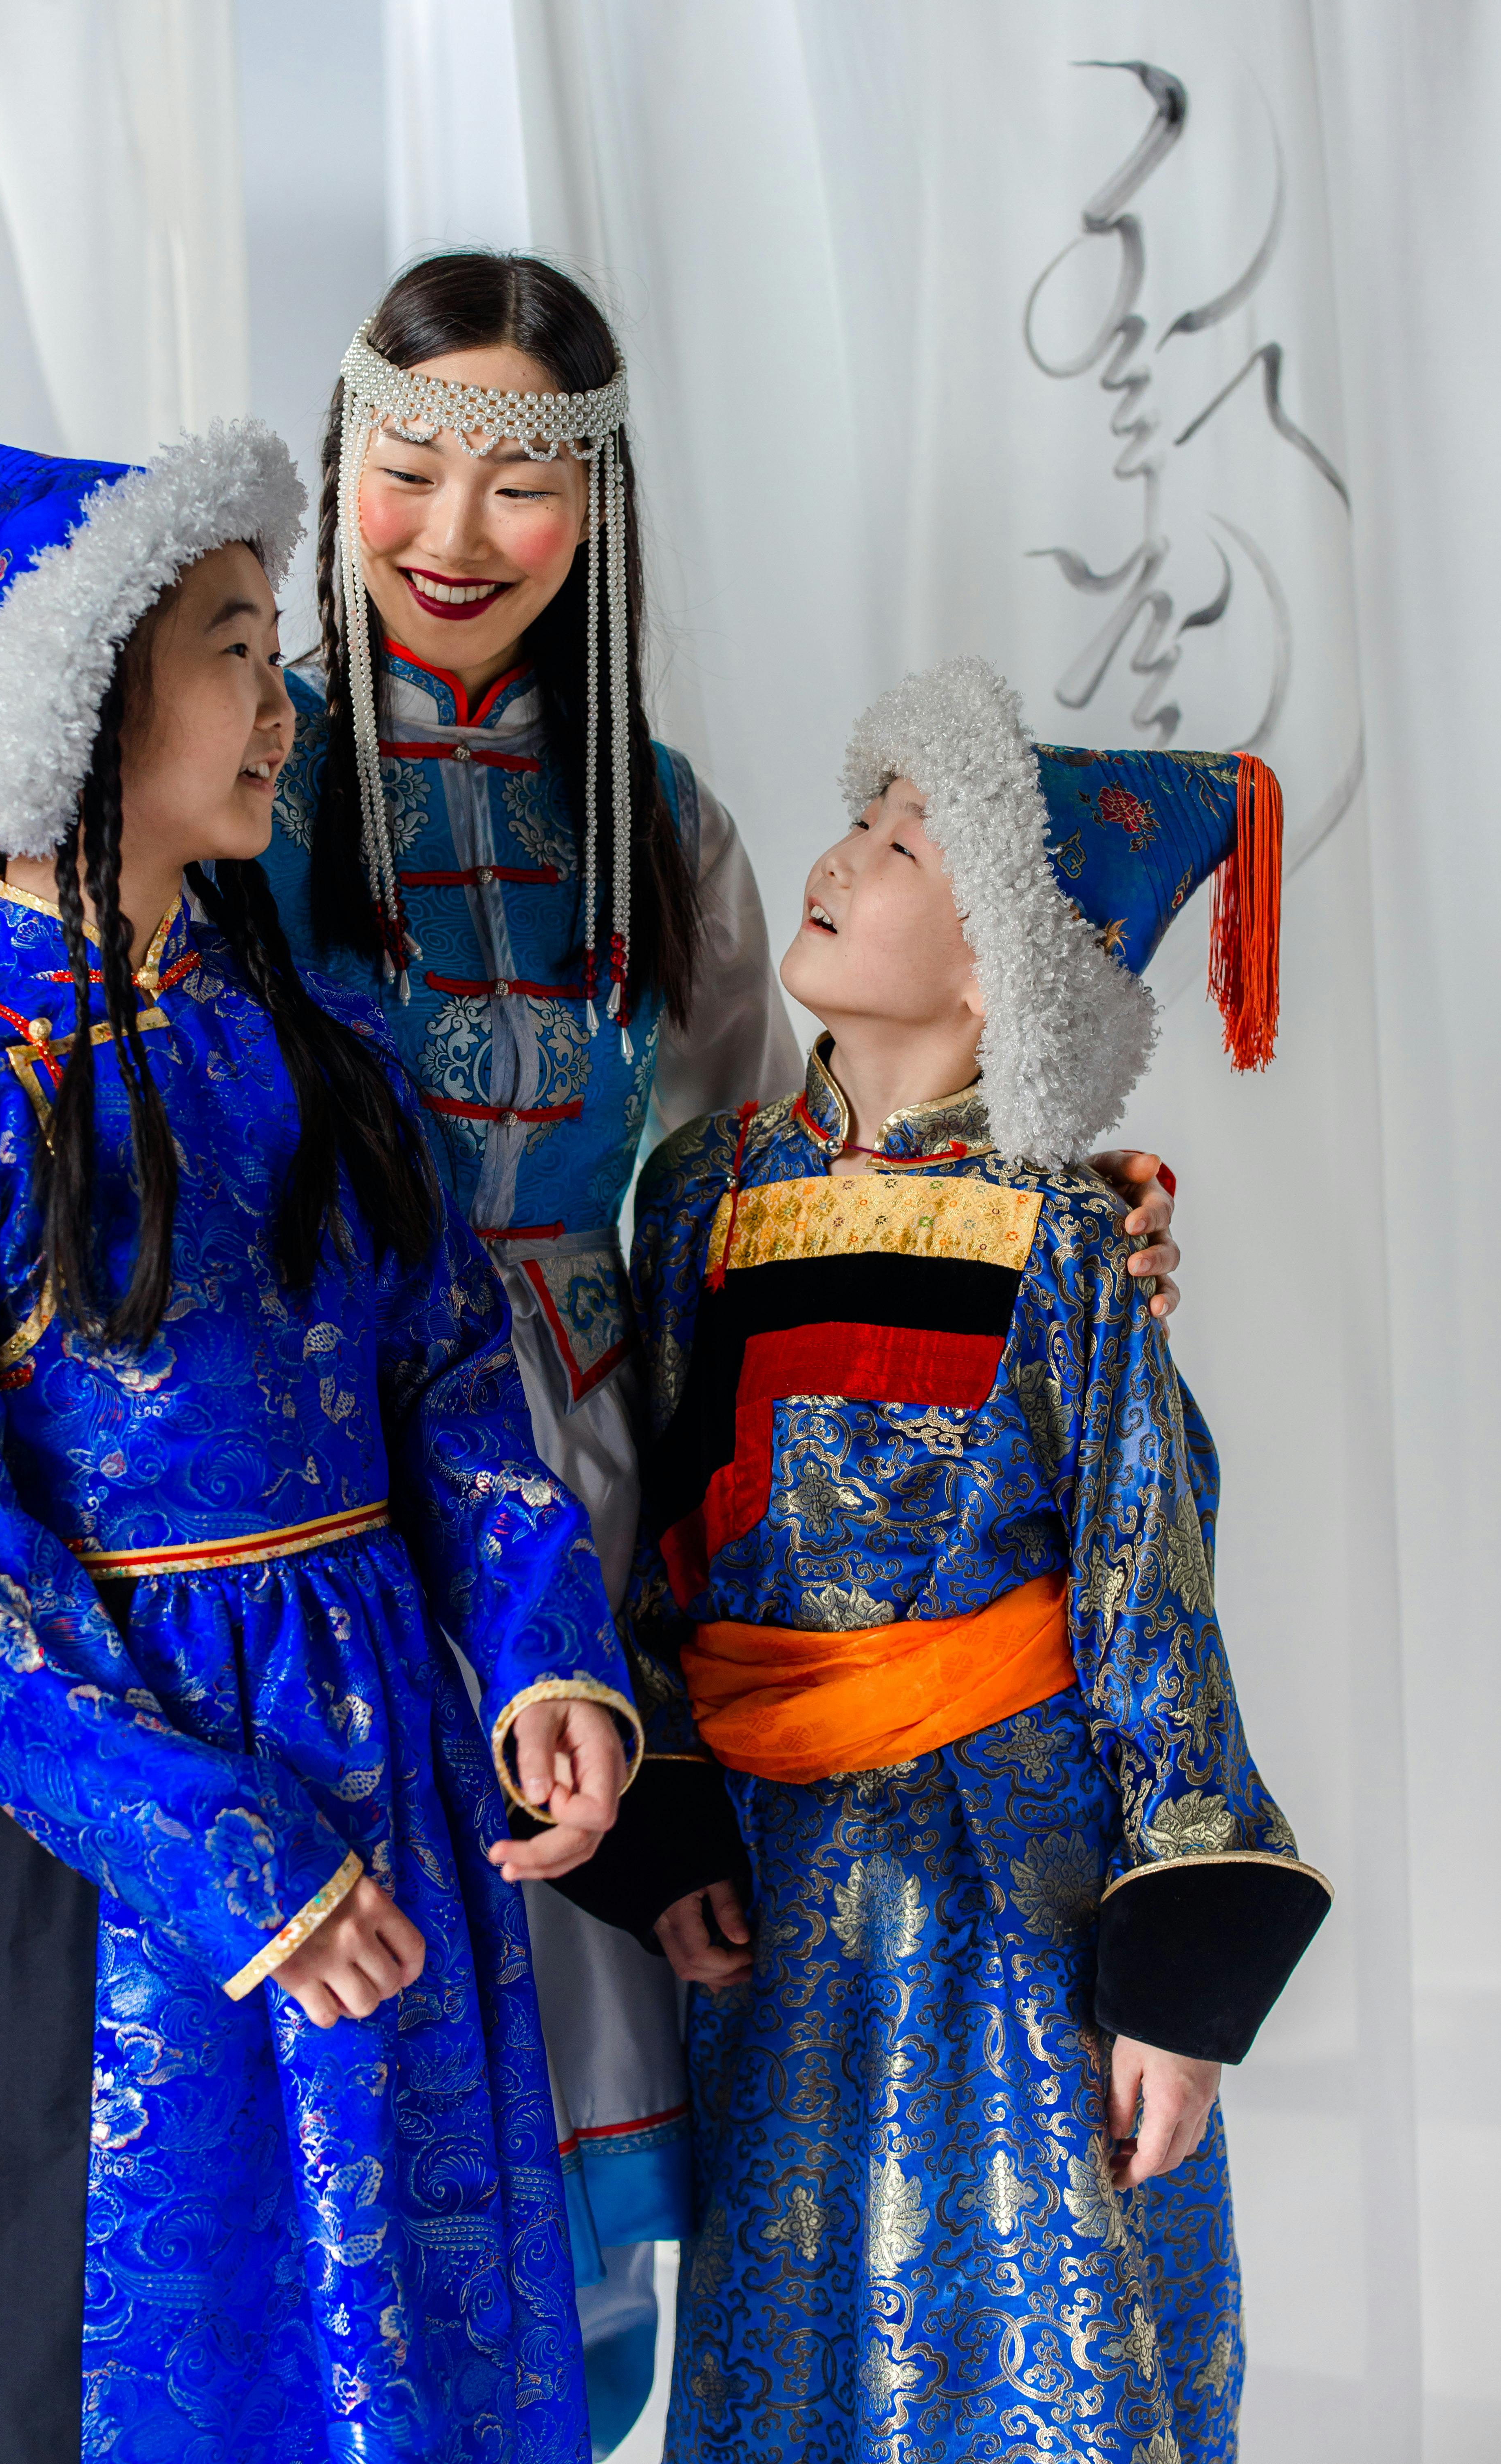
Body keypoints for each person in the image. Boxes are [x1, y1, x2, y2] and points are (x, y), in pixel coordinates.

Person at [0, 253, 1187, 2452]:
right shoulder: (236, 824)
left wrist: (1026, 1210)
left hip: (545, 1560)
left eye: (523, 487)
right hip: (172, 1647)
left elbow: (747, 1198)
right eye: (405, 469)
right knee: (141, 2281)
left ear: (598, 512)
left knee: (514, 2208)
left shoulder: (643, 837)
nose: (451, 534)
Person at [0, 416, 639, 2464]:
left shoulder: (308, 1047)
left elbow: (445, 1382)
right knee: (105, 2352)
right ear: (83, 700)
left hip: (379, 1781)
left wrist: (539, 1653)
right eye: (237, 648)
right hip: (109, 1829)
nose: (282, 704)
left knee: (396, 2349)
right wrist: (224, 1847)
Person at [566, 658, 1331, 2464]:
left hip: (1014, 1872)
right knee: (796, 2316)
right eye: (862, 818)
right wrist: (669, 1815)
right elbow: (665, 1524)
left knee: (1024, 2306)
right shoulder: (703, 1189)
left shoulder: (1070, 1232)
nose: (844, 855)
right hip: (773, 1865)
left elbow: (1151, 1583)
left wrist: (1177, 1981)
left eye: (909, 844)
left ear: (1001, 966)